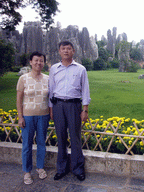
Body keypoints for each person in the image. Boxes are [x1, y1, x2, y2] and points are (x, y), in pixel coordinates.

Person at [49, 40, 91, 181]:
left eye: (68, 48)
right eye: (63, 48)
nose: (66, 51)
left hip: (74, 106)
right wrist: (51, 109)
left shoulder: (80, 69)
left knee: (75, 138)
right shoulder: (54, 69)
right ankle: (61, 168)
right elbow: (51, 90)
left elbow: (85, 90)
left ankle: (78, 169)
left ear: (73, 51)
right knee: (60, 138)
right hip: (58, 105)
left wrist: (85, 109)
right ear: (59, 51)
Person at [16, 51, 50, 185]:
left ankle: (40, 168)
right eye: (36, 60)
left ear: (44, 63)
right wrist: (20, 117)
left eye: (41, 60)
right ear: (30, 62)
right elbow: (19, 99)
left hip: (44, 115)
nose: (38, 63)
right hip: (28, 116)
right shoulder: (23, 78)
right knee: (27, 145)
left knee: (42, 143)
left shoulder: (48, 79)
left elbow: (51, 98)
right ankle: (27, 172)